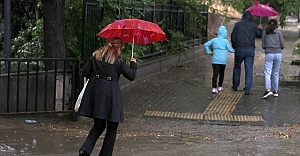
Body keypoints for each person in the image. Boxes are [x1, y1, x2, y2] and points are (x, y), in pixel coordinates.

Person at [78, 37, 137, 156]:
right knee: (112, 127)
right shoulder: (119, 61)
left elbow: (85, 72)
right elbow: (131, 75)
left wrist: (97, 78)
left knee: (98, 125)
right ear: (118, 48)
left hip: (97, 94)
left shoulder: (96, 56)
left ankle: (85, 150)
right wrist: (133, 64)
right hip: (112, 97)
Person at [231, 11, 263, 95]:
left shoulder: (237, 25)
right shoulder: (253, 25)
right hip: (250, 50)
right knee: (249, 69)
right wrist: (260, 29)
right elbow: (259, 35)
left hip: (239, 49)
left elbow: (233, 37)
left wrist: (235, 47)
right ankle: (247, 90)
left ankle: (235, 85)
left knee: (237, 67)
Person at [204, 26, 235, 93]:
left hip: (215, 60)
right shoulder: (225, 41)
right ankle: (220, 86)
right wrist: (236, 50)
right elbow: (230, 50)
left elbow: (206, 44)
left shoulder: (214, 40)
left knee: (215, 73)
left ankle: (214, 88)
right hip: (223, 60)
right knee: (222, 73)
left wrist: (208, 51)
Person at [261, 19, 284, 99]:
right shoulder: (279, 33)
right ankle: (275, 91)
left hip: (269, 54)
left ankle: (268, 90)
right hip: (278, 54)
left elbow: (263, 46)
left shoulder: (265, 33)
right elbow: (283, 45)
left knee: (267, 72)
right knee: (275, 73)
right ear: (276, 25)